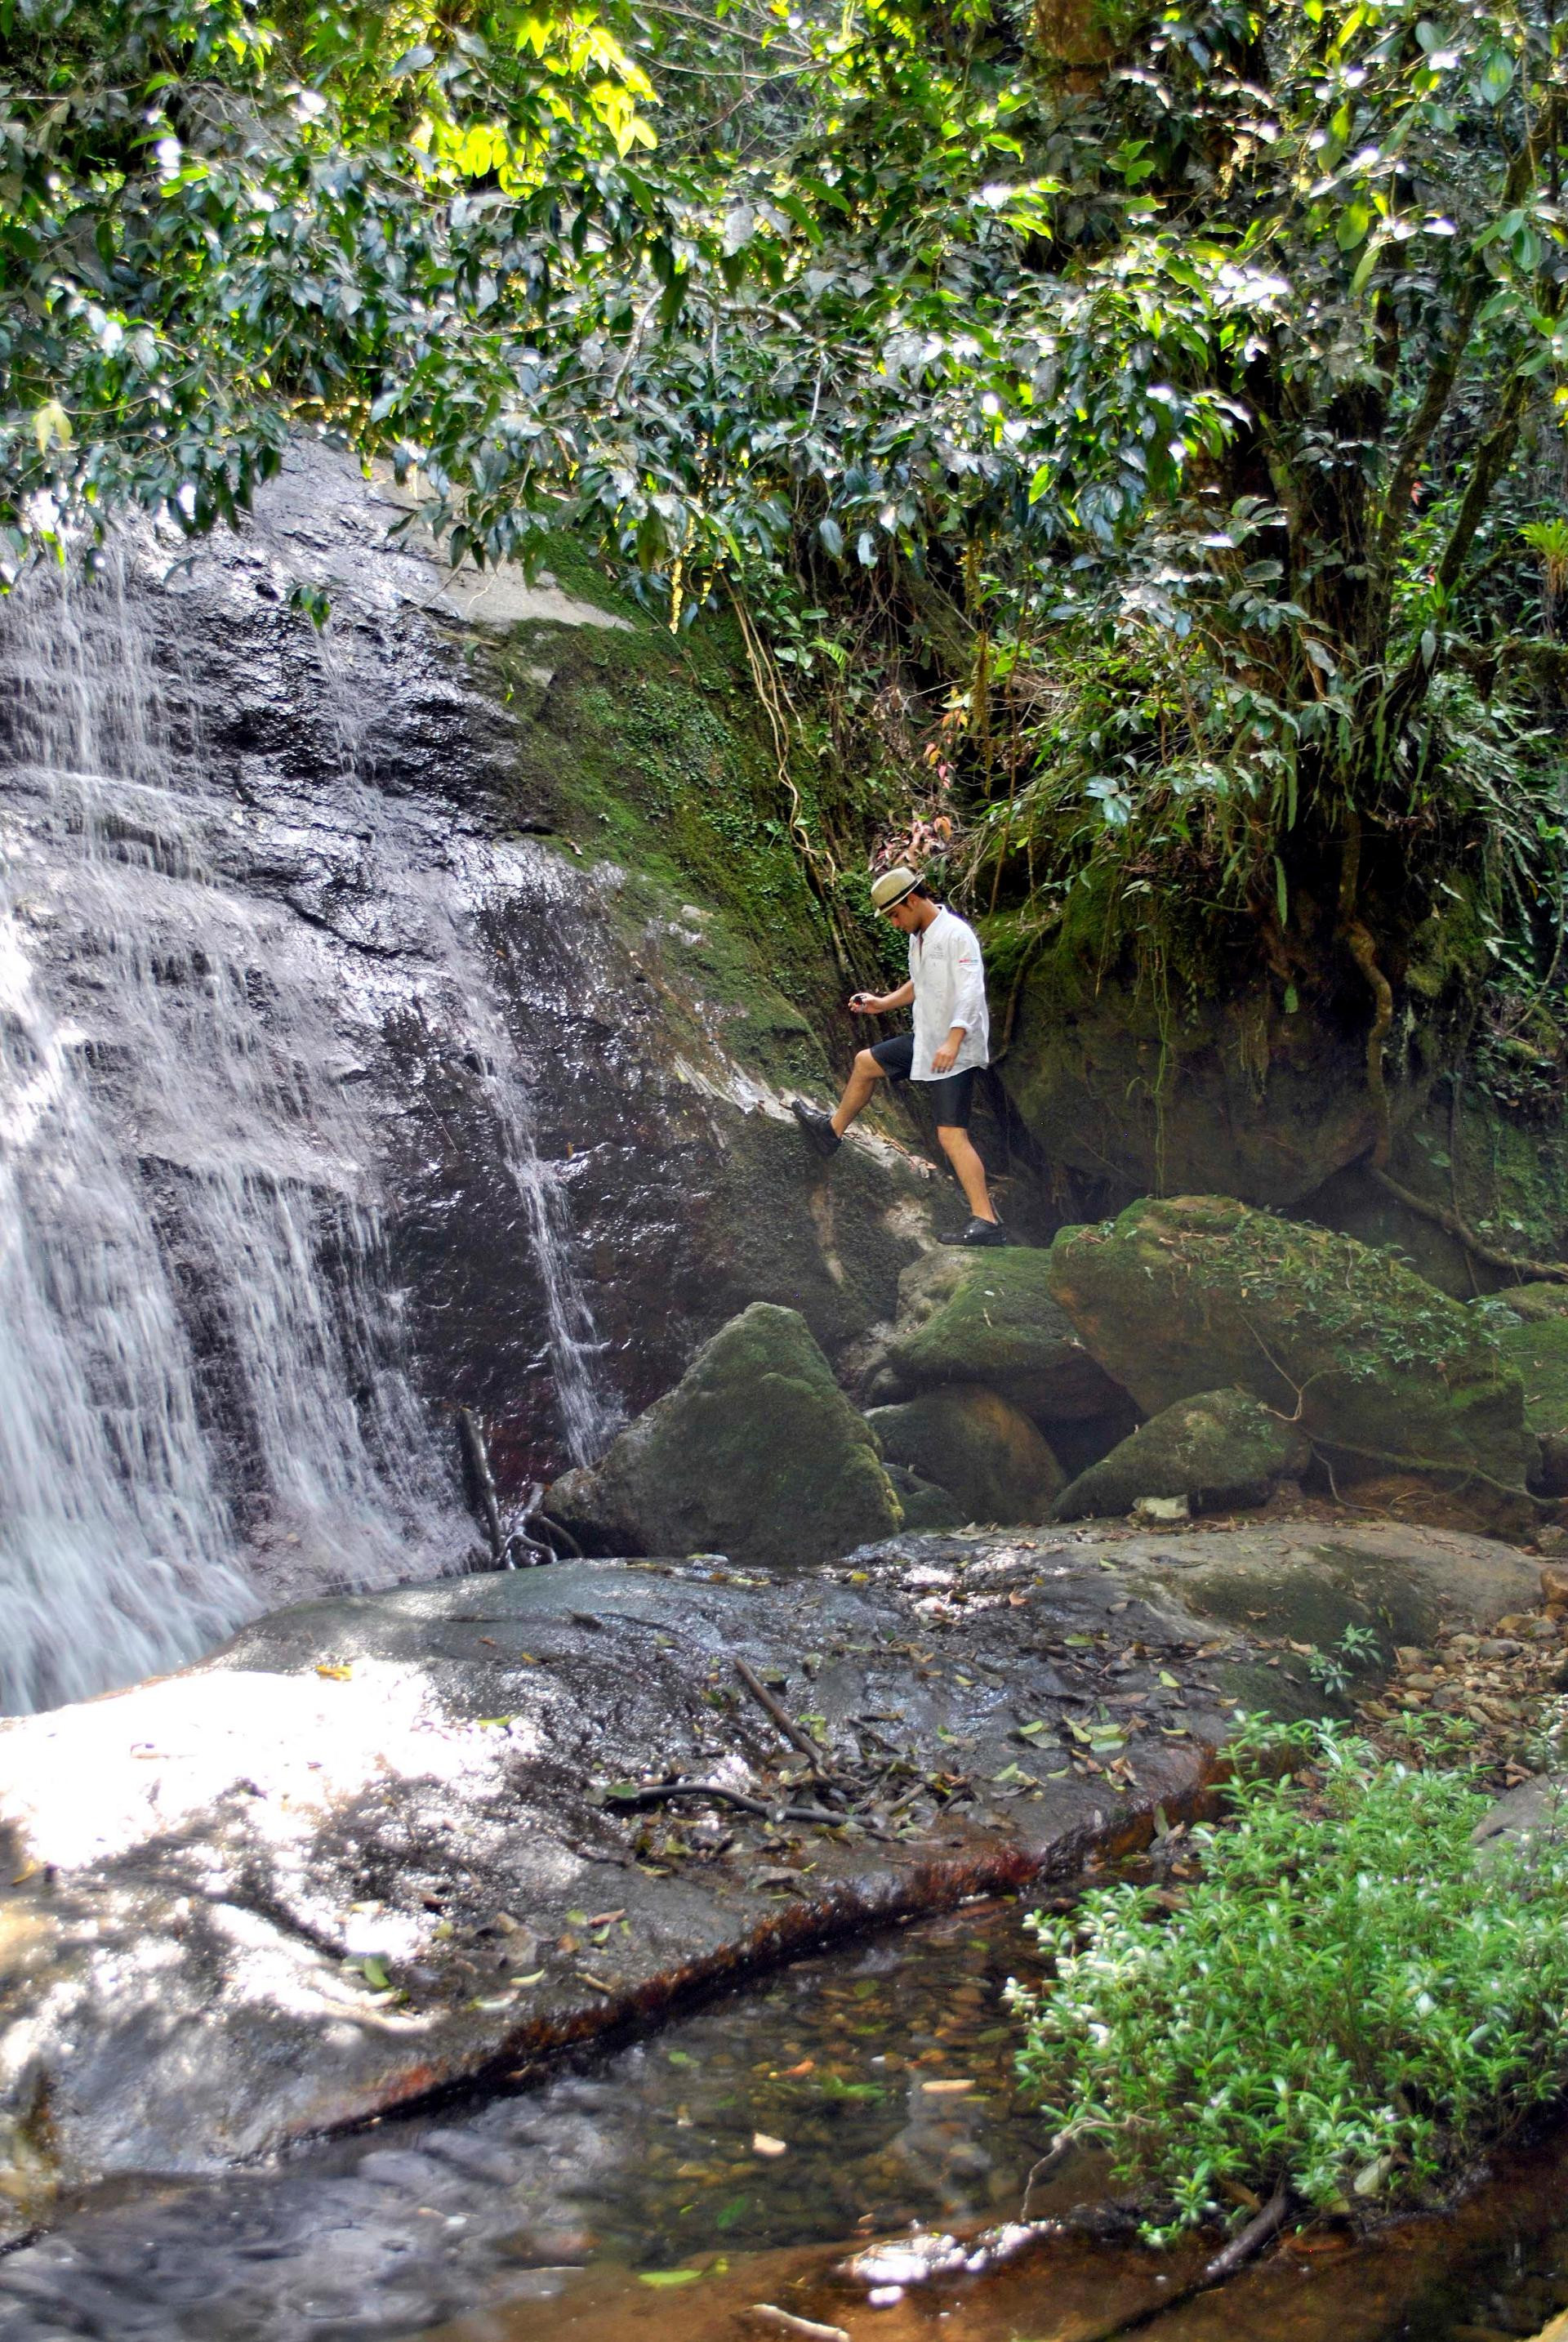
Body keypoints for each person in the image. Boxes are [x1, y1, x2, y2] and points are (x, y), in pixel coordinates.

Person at [791, 865, 1007, 1247]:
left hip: (953, 1049)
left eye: (894, 914)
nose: (894, 923)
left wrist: (954, 1042)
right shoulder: (919, 936)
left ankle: (986, 1220)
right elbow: (920, 983)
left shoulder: (956, 935)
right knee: (865, 1063)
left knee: (952, 1135)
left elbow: (971, 993)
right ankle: (831, 1132)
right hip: (929, 1039)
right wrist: (882, 1003)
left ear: (912, 900)